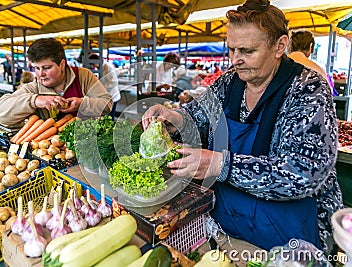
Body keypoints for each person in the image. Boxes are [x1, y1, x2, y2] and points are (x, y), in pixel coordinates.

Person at [142, 0, 342, 258]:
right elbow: (198, 115)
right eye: (231, 49)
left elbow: (304, 174)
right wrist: (174, 118)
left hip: (289, 240)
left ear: (280, 46)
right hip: (228, 228)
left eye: (247, 51)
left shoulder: (308, 89)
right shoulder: (230, 82)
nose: (236, 60)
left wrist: (220, 165)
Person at [0, 38, 112, 127]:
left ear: (62, 64)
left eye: (46, 68)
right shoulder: (33, 88)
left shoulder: (83, 76)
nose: (41, 74)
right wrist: (34, 100)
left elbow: (107, 104)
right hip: (48, 149)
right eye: (37, 68)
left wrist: (82, 104)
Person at [88, 53, 121, 120]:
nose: (94, 66)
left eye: (94, 64)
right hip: (105, 97)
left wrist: (101, 88)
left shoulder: (109, 67)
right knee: (104, 117)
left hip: (112, 96)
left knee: (109, 117)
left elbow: (114, 82)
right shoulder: (100, 68)